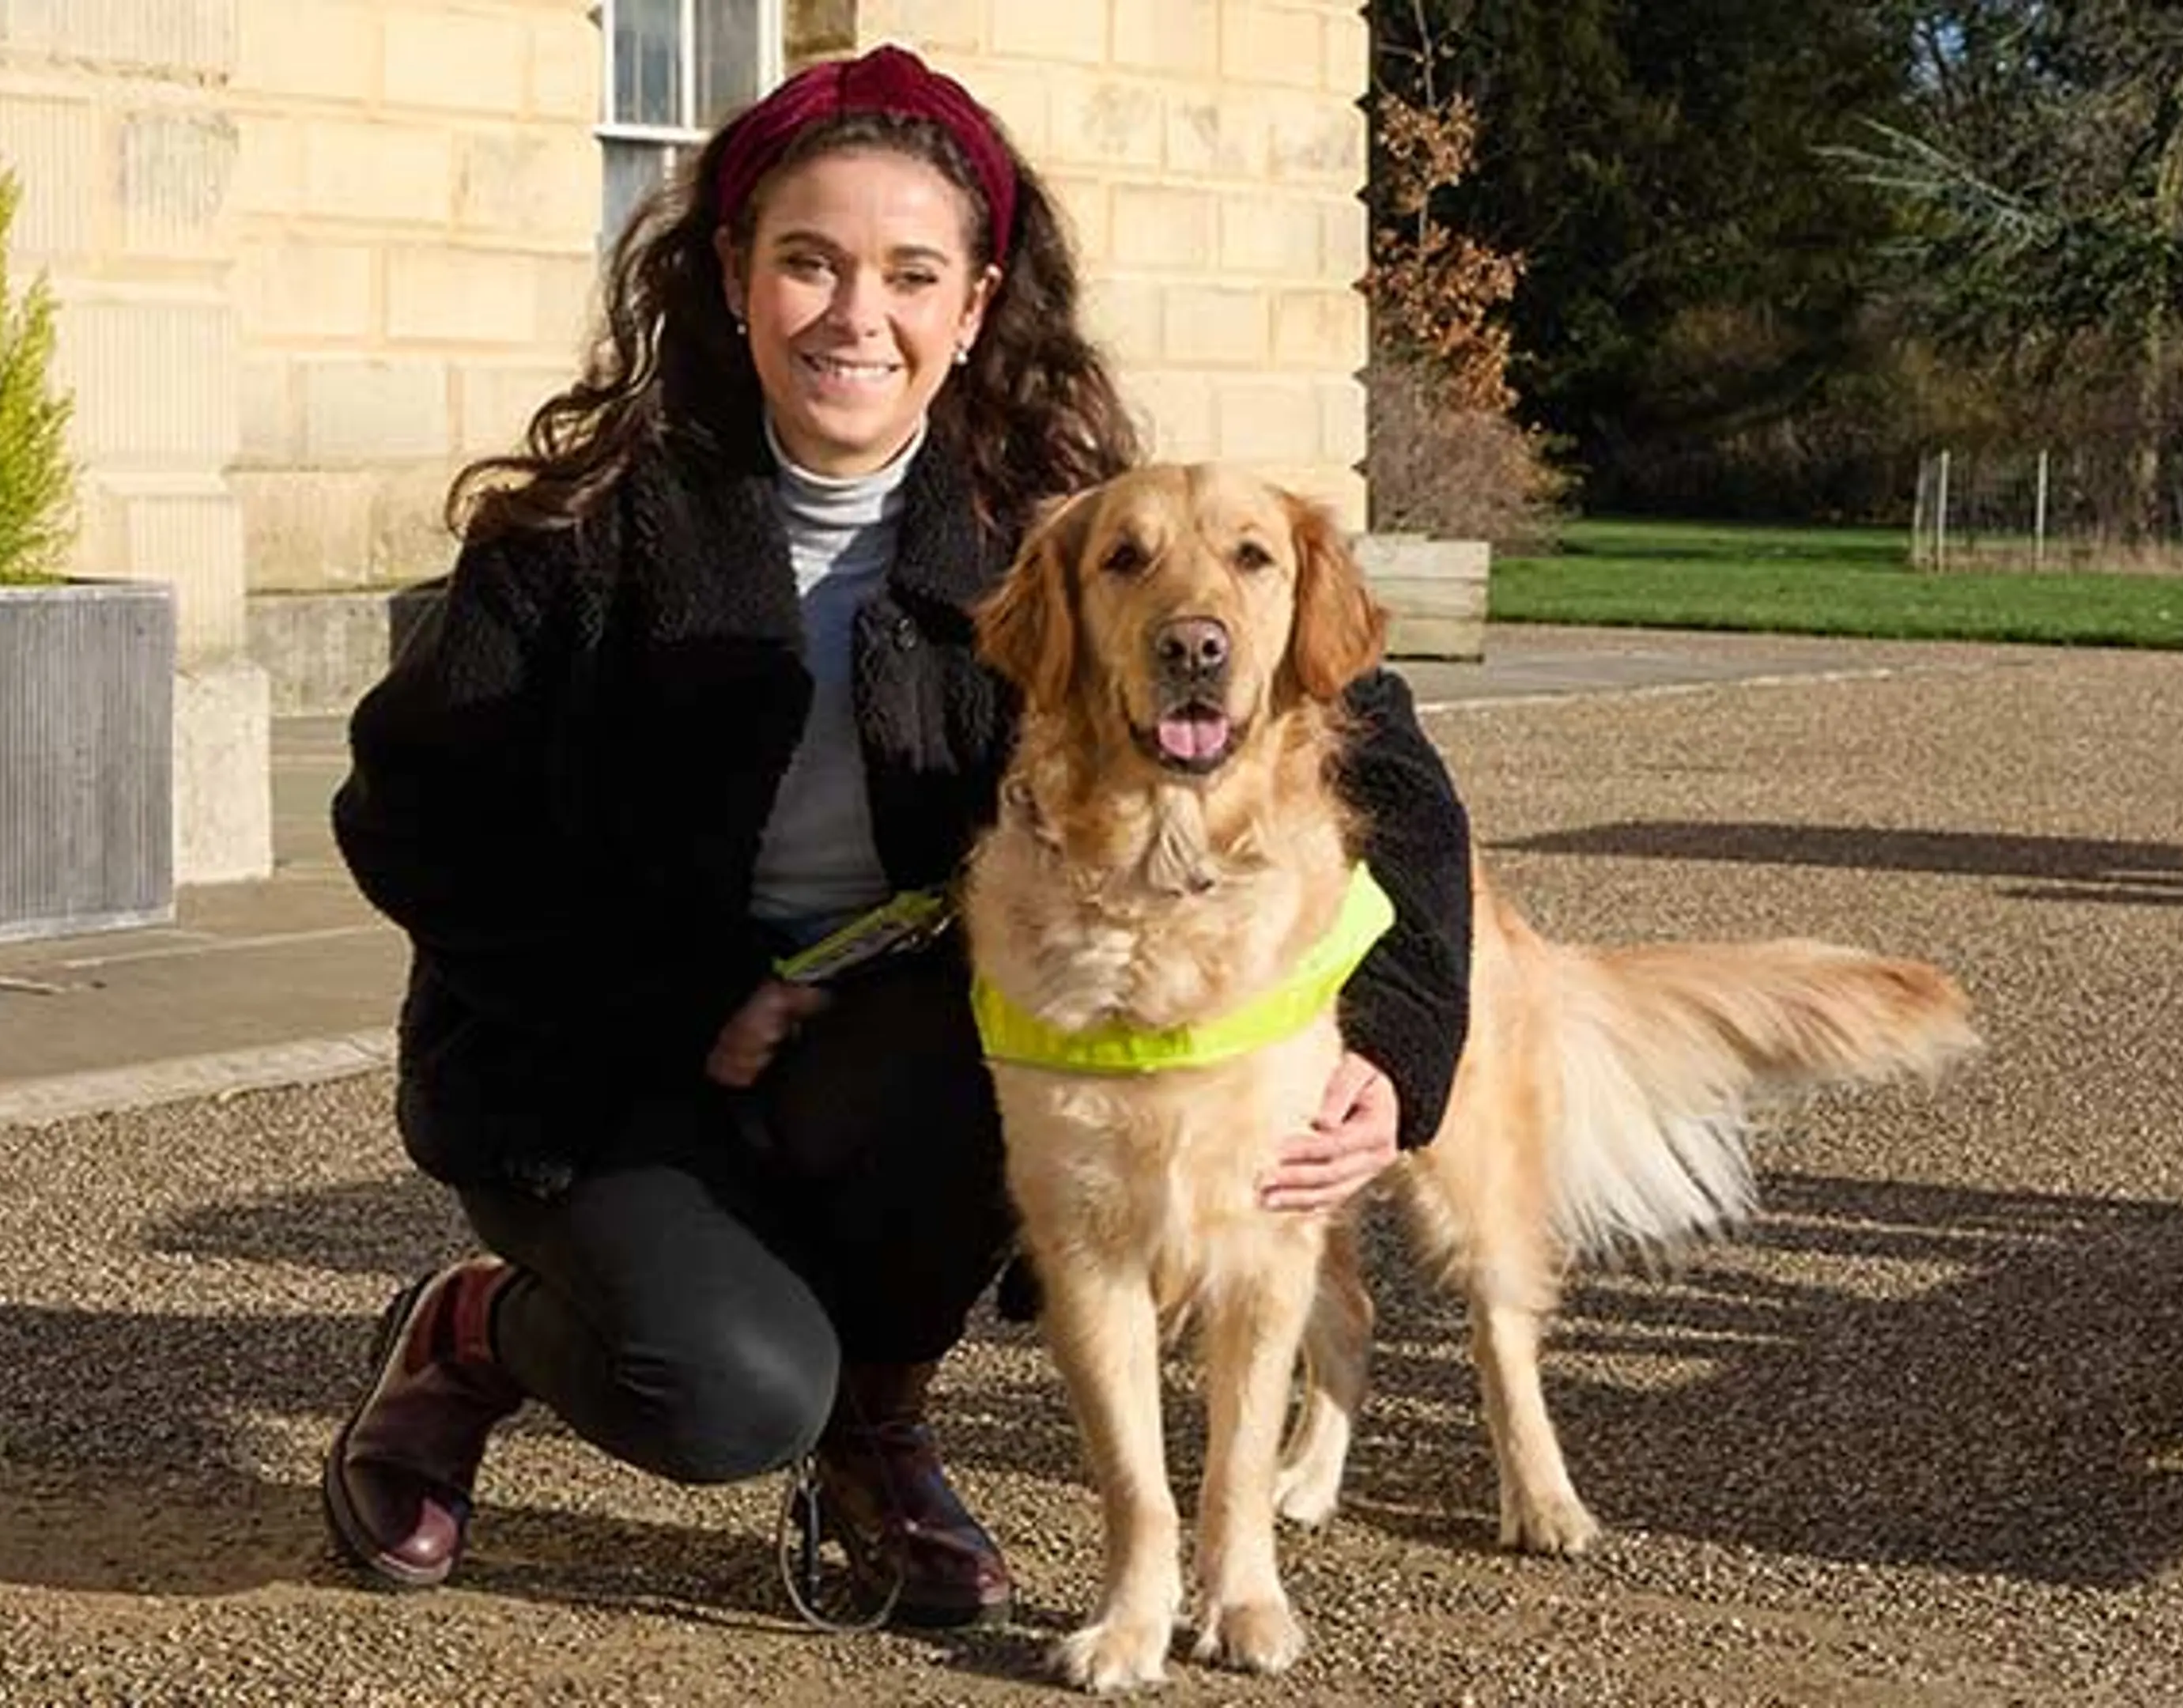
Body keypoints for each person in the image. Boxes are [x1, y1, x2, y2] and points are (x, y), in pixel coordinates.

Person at [321, 43, 1477, 1628]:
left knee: (998, 1062)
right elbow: (406, 814)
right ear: (735, 275)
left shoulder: (1067, 526)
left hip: (885, 1040)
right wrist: (667, 998)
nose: (858, 315)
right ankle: (474, 1334)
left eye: (910, 273)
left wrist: (1397, 1052)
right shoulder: (578, 534)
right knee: (722, 1397)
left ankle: (881, 1414)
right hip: (597, 1066)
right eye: (810, 261)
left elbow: (1389, 772)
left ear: (975, 302)